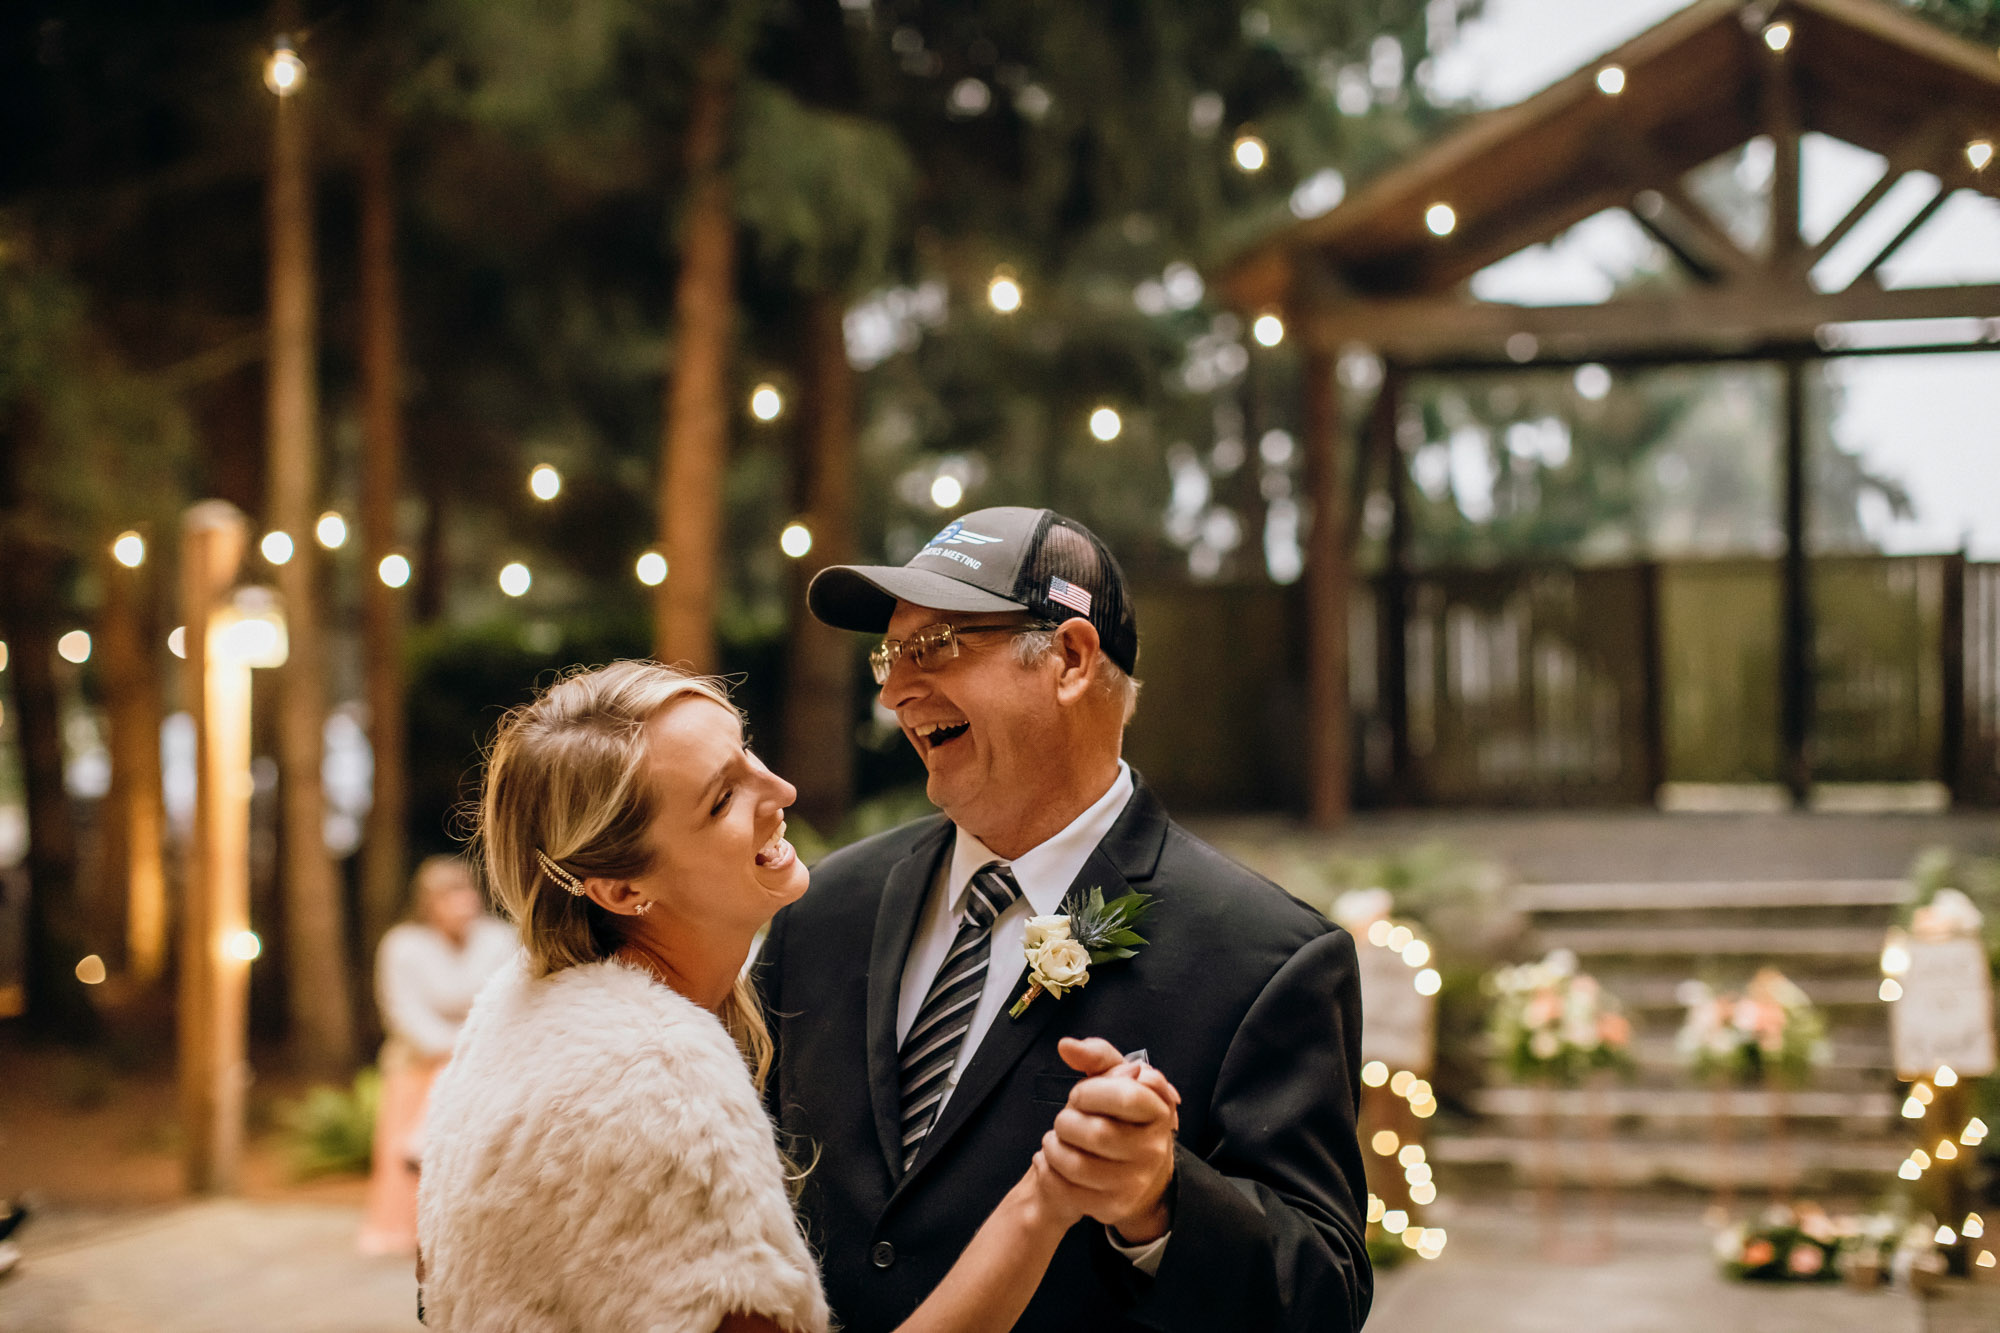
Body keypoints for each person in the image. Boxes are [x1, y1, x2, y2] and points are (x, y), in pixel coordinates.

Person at [417, 662, 1180, 1332]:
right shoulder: (653, 1083)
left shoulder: (520, 1014)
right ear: (622, 888)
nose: (779, 790)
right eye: (721, 799)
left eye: (745, 750)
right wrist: (1044, 1200)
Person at [759, 506, 1372, 1331]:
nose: (894, 689)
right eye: (888, 654)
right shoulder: (825, 908)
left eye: (935, 645)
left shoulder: (1268, 958)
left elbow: (1322, 1298)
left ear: (1072, 658)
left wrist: (1158, 1202)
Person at [357, 855, 514, 1258]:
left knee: (452, 1078)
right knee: (438, 1077)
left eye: (464, 892)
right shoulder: (402, 945)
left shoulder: (500, 939)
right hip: (421, 1058)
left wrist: (471, 1048)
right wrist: (454, 1049)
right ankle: (405, 1222)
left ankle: (428, 1156)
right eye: (448, 896)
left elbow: (506, 1000)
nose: (460, 903)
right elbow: (402, 1010)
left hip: (486, 1055)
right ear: (428, 903)